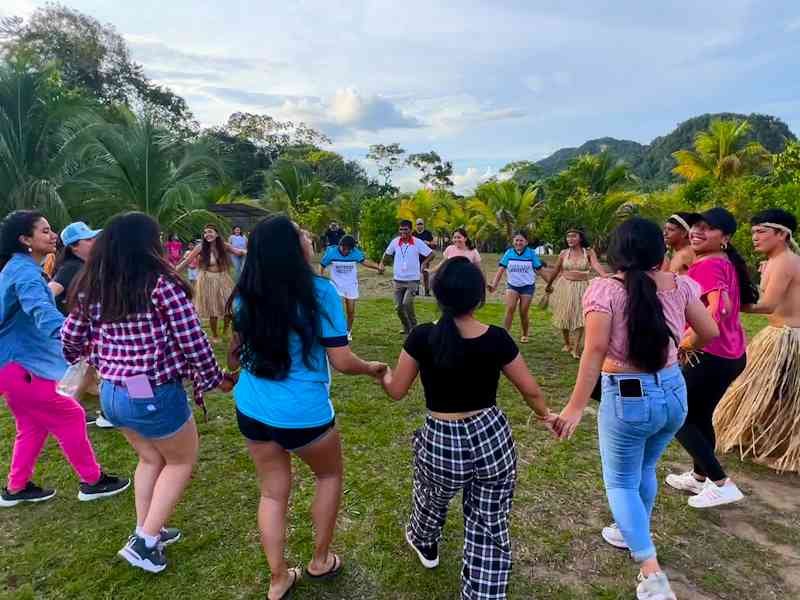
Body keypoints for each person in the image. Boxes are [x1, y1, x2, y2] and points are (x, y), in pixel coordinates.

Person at [62, 212, 234, 573]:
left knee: (151, 459)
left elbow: (69, 339)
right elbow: (193, 341)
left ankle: (147, 530)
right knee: (181, 460)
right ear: (148, 243)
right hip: (149, 389)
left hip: (112, 391)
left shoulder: (92, 283)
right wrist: (216, 377)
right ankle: (145, 543)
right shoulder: (160, 284)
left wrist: (93, 355)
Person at [379, 257, 560, 600]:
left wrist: (381, 373)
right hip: (492, 436)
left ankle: (424, 540)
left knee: (430, 496)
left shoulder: (422, 337)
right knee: (489, 523)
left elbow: (396, 391)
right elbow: (530, 389)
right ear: (479, 297)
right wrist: (544, 415)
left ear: (436, 293)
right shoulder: (497, 338)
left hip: (441, 439)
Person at [557, 218, 718, 600]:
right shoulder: (681, 285)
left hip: (629, 396)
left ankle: (652, 572)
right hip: (674, 392)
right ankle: (631, 531)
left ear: (617, 252)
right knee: (644, 469)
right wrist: (679, 348)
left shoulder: (604, 290)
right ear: (657, 251)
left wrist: (575, 407)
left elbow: (594, 351)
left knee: (620, 482)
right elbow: (709, 331)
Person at [226, 215, 386, 600]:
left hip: (251, 408)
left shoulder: (246, 292)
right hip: (303, 414)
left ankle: (278, 578)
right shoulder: (320, 292)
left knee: (272, 493)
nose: (309, 237)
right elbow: (343, 361)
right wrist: (373, 368)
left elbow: (235, 354)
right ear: (291, 247)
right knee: (328, 478)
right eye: (301, 234)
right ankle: (319, 560)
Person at [0, 210, 130, 508]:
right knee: (71, 414)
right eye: (44, 231)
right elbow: (42, 314)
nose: (52, 234)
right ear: (25, 239)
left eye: (50, 229)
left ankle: (16, 487)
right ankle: (93, 481)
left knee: (32, 426)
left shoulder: (19, 268)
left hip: (15, 366)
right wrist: (76, 337)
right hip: (22, 366)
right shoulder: (25, 273)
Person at [666, 207, 758, 508]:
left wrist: (685, 344)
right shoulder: (721, 262)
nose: (697, 232)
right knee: (700, 415)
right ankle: (699, 476)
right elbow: (725, 305)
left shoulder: (707, 266)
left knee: (678, 416)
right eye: (695, 227)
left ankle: (721, 483)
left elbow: (716, 311)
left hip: (710, 355)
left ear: (726, 238)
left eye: (708, 228)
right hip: (731, 354)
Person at [714, 209, 800, 472]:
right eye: (753, 232)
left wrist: (729, 304)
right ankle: (766, 440)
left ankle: (779, 447)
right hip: (781, 334)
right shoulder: (781, 260)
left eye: (761, 231)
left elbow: (767, 305)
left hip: (786, 337)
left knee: (780, 396)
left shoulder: (785, 261)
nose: (755, 237)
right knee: (771, 395)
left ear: (782, 234)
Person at [48, 221, 112, 427]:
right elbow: (50, 291)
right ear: (74, 246)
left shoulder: (87, 266)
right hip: (82, 331)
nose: (94, 242)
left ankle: (72, 410)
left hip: (90, 330)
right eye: (89, 239)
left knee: (89, 372)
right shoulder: (70, 268)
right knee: (92, 370)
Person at [177, 224, 245, 343]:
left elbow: (238, 252)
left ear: (216, 234)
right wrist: (173, 271)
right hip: (207, 279)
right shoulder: (200, 247)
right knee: (212, 310)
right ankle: (214, 334)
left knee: (229, 308)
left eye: (210, 232)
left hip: (223, 278)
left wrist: (252, 251)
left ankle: (225, 330)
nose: (207, 234)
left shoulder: (223, 245)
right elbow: (187, 261)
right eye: (205, 232)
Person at [546, 229, 608, 358]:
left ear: (580, 238)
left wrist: (604, 275)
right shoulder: (563, 253)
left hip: (582, 287)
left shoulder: (589, 252)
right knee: (565, 315)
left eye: (573, 236)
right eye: (568, 237)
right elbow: (556, 270)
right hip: (565, 286)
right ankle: (567, 343)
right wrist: (549, 284)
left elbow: (595, 264)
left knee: (580, 316)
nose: (570, 239)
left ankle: (576, 348)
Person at [320, 234, 384, 341]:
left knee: (350, 311)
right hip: (336, 285)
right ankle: (336, 331)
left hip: (351, 285)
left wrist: (378, 267)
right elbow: (322, 265)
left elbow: (365, 262)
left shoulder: (355, 253)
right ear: (340, 245)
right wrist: (320, 277)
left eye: (348, 249)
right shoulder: (332, 252)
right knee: (337, 309)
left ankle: (348, 331)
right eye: (343, 248)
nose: (345, 251)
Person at [488, 230, 544, 344]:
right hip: (512, 286)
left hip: (527, 287)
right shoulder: (509, 253)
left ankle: (525, 334)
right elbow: (500, 270)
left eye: (521, 240)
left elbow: (540, 270)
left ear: (526, 242)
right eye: (516, 240)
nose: (518, 242)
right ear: (513, 241)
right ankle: (504, 335)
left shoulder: (531, 253)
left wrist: (550, 283)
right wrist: (494, 285)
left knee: (523, 311)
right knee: (510, 308)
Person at [379, 220, 434, 336]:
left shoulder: (417, 242)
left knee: (407, 303)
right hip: (398, 280)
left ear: (410, 230)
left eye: (405, 230)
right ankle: (406, 326)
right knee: (398, 306)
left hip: (412, 280)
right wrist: (382, 263)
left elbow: (431, 254)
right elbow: (387, 253)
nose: (403, 232)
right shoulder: (395, 242)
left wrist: (424, 263)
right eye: (401, 230)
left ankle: (414, 327)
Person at [413, 218, 436, 296]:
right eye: (418, 224)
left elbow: (433, 244)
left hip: (426, 257)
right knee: (416, 274)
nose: (419, 226)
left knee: (425, 273)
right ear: (415, 225)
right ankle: (416, 290)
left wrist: (428, 243)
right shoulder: (413, 234)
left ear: (423, 225)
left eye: (421, 224)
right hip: (415, 256)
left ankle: (426, 291)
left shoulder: (427, 233)